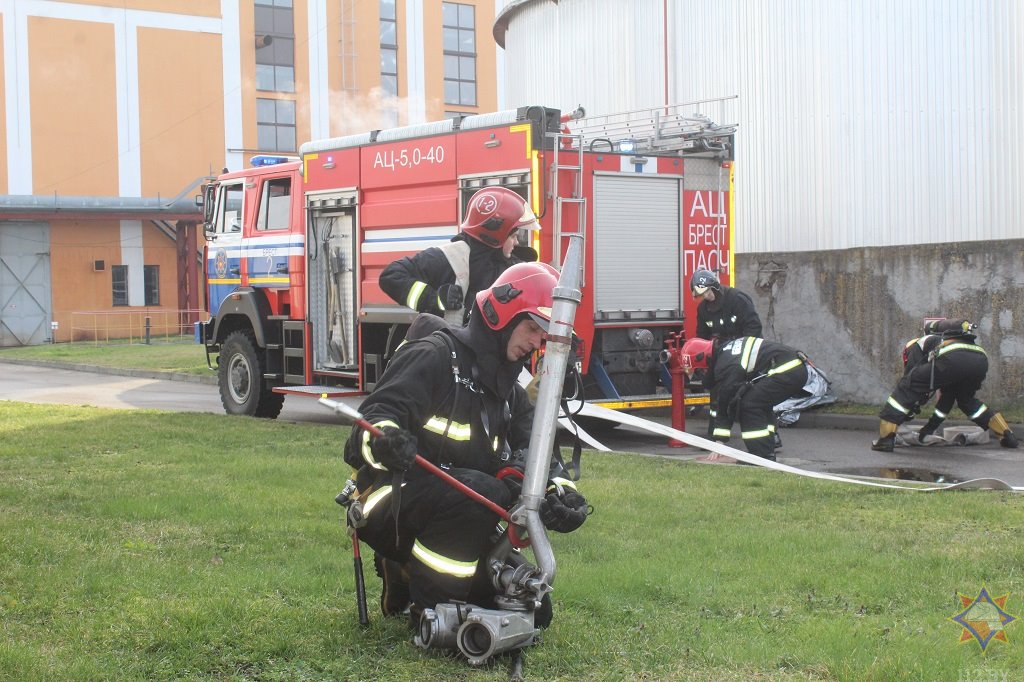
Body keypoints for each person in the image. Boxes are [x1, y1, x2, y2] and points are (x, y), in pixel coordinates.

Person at [343, 262, 589, 626]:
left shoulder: (509, 393)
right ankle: (432, 612)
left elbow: (539, 454)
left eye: (544, 334)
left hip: (463, 514)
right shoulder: (434, 357)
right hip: (386, 501)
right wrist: (385, 444)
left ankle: (406, 571)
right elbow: (365, 430)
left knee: (533, 611)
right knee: (483, 490)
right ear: (500, 316)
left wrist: (563, 495)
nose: (538, 342)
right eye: (532, 327)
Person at [379, 186, 539, 327]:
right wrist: (435, 299)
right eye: (513, 236)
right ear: (497, 235)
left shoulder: (510, 267)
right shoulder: (447, 258)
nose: (517, 242)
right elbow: (391, 276)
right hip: (446, 354)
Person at [872, 318, 1019, 452]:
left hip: (952, 358)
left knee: (904, 391)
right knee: (966, 401)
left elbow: (911, 380)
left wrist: (911, 404)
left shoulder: (917, 343)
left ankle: (885, 439)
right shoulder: (952, 341)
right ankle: (1006, 435)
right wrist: (929, 429)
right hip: (979, 359)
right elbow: (946, 400)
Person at [682, 335, 808, 462]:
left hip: (788, 371)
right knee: (757, 401)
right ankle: (767, 449)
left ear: (704, 358)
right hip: (793, 368)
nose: (701, 374)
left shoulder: (727, 364)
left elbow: (725, 402)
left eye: (699, 370)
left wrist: (719, 441)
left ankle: (760, 456)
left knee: (749, 404)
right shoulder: (726, 351)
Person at [689, 269, 766, 445]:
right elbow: (702, 337)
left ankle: (770, 436)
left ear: (714, 287)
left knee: (755, 395)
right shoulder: (703, 309)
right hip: (723, 355)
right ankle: (715, 436)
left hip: (747, 353)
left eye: (708, 292)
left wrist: (743, 353)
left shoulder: (737, 299)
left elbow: (754, 328)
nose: (706, 297)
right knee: (717, 394)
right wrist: (703, 360)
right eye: (702, 294)